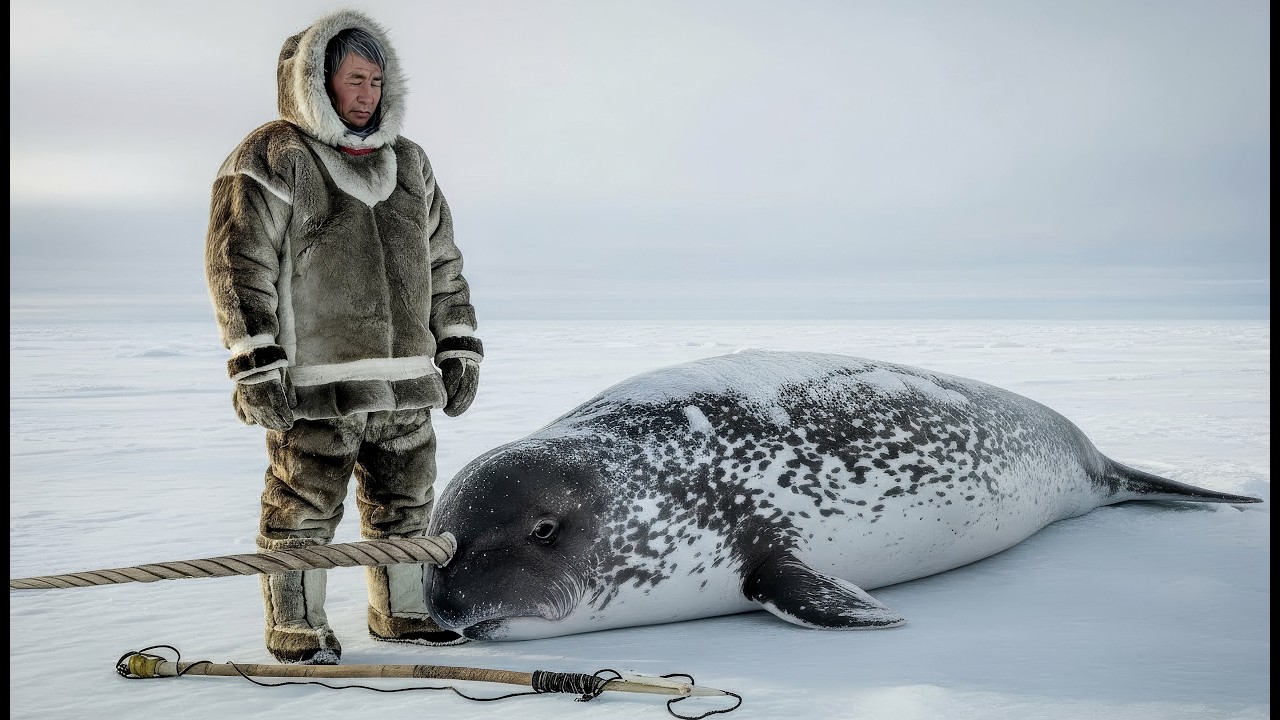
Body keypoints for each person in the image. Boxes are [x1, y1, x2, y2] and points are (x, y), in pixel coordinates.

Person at [203, 9, 483, 665]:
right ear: (317, 82)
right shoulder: (272, 156)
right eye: (355, 80)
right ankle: (296, 623)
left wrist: (459, 345)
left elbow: (443, 263)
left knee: (406, 503)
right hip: (315, 384)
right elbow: (238, 267)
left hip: (408, 379)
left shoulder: (410, 163)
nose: (368, 95)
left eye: (377, 81)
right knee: (303, 508)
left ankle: (402, 610)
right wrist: (255, 362)